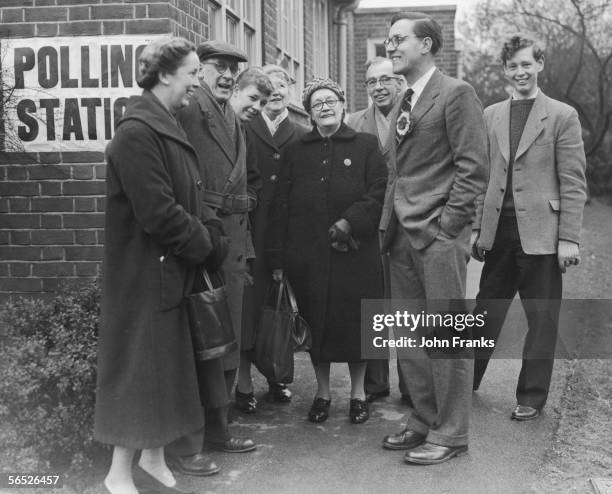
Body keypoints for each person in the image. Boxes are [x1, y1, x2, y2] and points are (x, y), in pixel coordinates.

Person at [94, 37, 229, 494]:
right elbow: (158, 212)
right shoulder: (137, 133)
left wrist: (210, 232)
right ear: (166, 74)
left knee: (165, 370)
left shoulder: (165, 123)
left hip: (169, 271)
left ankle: (152, 459)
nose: (198, 81)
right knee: (140, 372)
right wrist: (206, 243)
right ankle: (117, 474)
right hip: (145, 276)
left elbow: (190, 193)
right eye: (193, 72)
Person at [379, 12, 488, 465]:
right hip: (401, 235)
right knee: (408, 337)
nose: (390, 47)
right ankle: (424, 419)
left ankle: (452, 432)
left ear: (426, 44)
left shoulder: (456, 93)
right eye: (387, 40)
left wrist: (448, 227)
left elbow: (473, 167)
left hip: (438, 235)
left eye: (398, 39)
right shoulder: (405, 97)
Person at [471, 33, 587, 421]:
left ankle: (531, 396)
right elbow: (482, 175)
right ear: (505, 70)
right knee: (485, 312)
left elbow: (573, 181)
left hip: (543, 235)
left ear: (539, 64)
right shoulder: (490, 115)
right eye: (513, 66)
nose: (520, 71)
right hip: (499, 232)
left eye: (526, 64)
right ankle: (466, 380)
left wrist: (568, 237)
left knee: (541, 318)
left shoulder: (562, 115)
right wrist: (476, 228)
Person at [266, 77, 387, 425]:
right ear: (309, 113)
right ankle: (322, 393)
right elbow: (281, 205)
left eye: (331, 101)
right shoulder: (295, 151)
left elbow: (379, 191)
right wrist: (277, 259)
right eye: (317, 104)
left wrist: (350, 222)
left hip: (356, 254)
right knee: (317, 325)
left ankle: (359, 394)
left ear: (342, 105)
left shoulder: (365, 145)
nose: (325, 107)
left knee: (356, 326)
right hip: (309, 257)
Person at [166, 41, 260, 477]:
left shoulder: (226, 112)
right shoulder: (190, 107)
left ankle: (219, 429)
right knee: (202, 340)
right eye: (218, 68)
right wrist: (205, 228)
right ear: (199, 70)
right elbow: (179, 174)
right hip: (207, 238)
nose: (226, 76)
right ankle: (190, 444)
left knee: (227, 338)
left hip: (232, 241)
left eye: (232, 70)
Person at [237, 64, 310, 413]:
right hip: (252, 228)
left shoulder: (300, 133)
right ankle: (243, 384)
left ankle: (277, 377)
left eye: (282, 85)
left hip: (288, 234)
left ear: (290, 90)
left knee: (280, 307)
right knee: (248, 307)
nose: (276, 91)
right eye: (270, 86)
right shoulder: (244, 125)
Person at [346, 56, 404, 405]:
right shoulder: (354, 123)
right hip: (370, 226)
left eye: (386, 80)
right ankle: (375, 381)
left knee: (410, 305)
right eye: (371, 82)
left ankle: (414, 386)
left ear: (399, 82)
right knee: (373, 304)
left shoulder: (416, 116)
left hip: (409, 221)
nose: (379, 87)